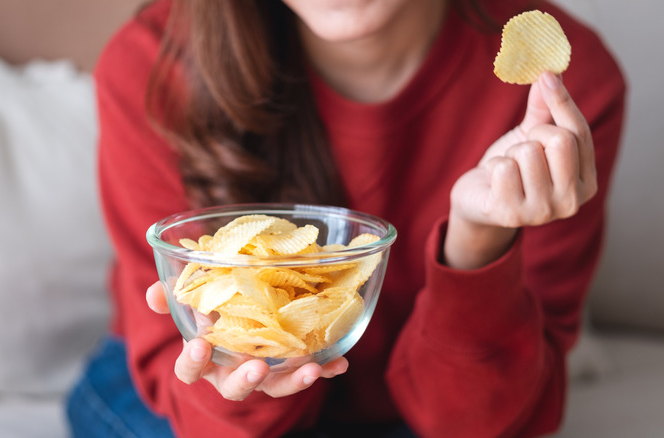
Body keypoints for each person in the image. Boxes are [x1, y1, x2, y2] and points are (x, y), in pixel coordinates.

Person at [66, 0, 626, 436]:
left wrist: (477, 242)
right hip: (193, 402)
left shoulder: (561, 99)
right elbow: (207, 419)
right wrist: (244, 360)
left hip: (427, 403)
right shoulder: (150, 66)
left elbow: (476, 422)